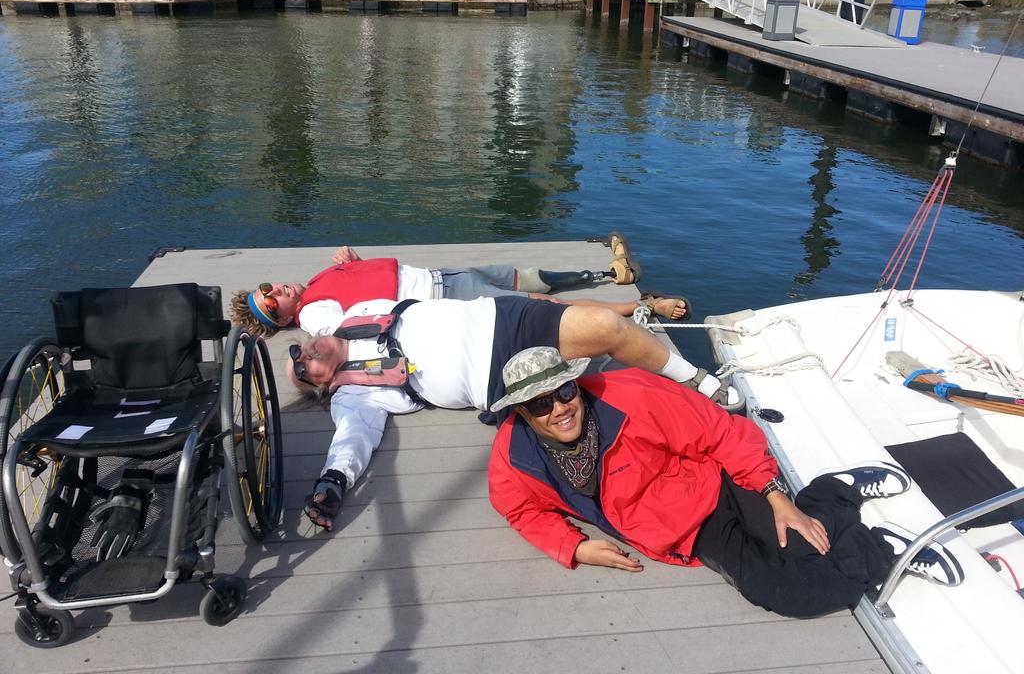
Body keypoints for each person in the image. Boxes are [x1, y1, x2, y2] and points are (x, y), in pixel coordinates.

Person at [487, 347, 965, 618]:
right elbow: (521, 510)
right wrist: (573, 548)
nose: (560, 408)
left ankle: (870, 534)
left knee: (800, 542)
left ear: (576, 383)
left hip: (714, 484)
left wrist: (774, 494)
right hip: (686, 530)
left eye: (564, 391)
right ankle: (850, 509)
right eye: (539, 404)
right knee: (785, 594)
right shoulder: (516, 457)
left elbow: (721, 432)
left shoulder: (628, 394)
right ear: (521, 413)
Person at [293, 296, 743, 531]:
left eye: (301, 346)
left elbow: (314, 307)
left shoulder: (353, 313)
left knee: (607, 328)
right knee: (600, 400)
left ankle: (696, 380)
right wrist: (333, 482)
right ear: (321, 384)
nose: (306, 350)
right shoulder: (354, 395)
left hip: (506, 318)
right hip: (500, 381)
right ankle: (705, 443)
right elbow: (353, 437)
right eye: (302, 365)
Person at [229, 236, 689, 338]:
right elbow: (350, 329)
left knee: (517, 275)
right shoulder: (311, 315)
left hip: (443, 277)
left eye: (267, 286)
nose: (278, 289)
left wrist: (353, 264)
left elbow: (367, 290)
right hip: (444, 298)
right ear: (282, 316)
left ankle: (610, 276)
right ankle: (641, 307)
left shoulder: (312, 286)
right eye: (272, 300)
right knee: (539, 303)